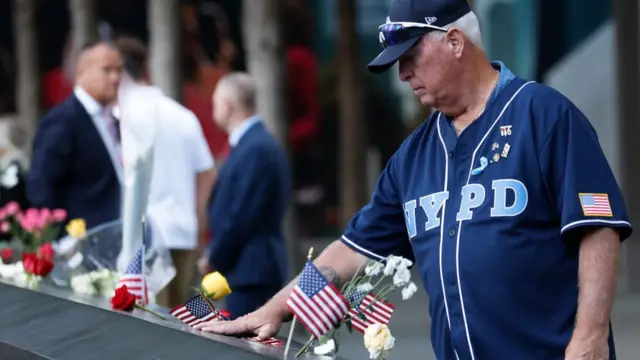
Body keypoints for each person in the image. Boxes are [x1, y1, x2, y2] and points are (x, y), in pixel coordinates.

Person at [195, 1, 632, 359]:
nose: (402, 75)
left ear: (455, 42)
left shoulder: (544, 115)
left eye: (409, 57)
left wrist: (590, 337)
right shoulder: (413, 157)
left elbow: (597, 228)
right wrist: (276, 307)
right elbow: (348, 253)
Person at [114, 37, 216, 308]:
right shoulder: (181, 115)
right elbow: (206, 173)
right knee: (173, 327)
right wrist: (197, 224)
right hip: (182, 232)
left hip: (139, 239)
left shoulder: (122, 113)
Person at [198, 72, 291, 319]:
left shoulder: (256, 148)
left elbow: (241, 215)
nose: (214, 109)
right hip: (245, 270)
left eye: (216, 102)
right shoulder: (252, 144)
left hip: (252, 272)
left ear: (228, 106)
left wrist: (214, 256)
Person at [28, 41, 124, 231]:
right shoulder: (63, 120)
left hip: (110, 240)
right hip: (80, 242)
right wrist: (57, 238)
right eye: (107, 70)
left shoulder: (111, 119)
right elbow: (41, 184)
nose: (115, 78)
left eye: (119, 70)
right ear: (82, 72)